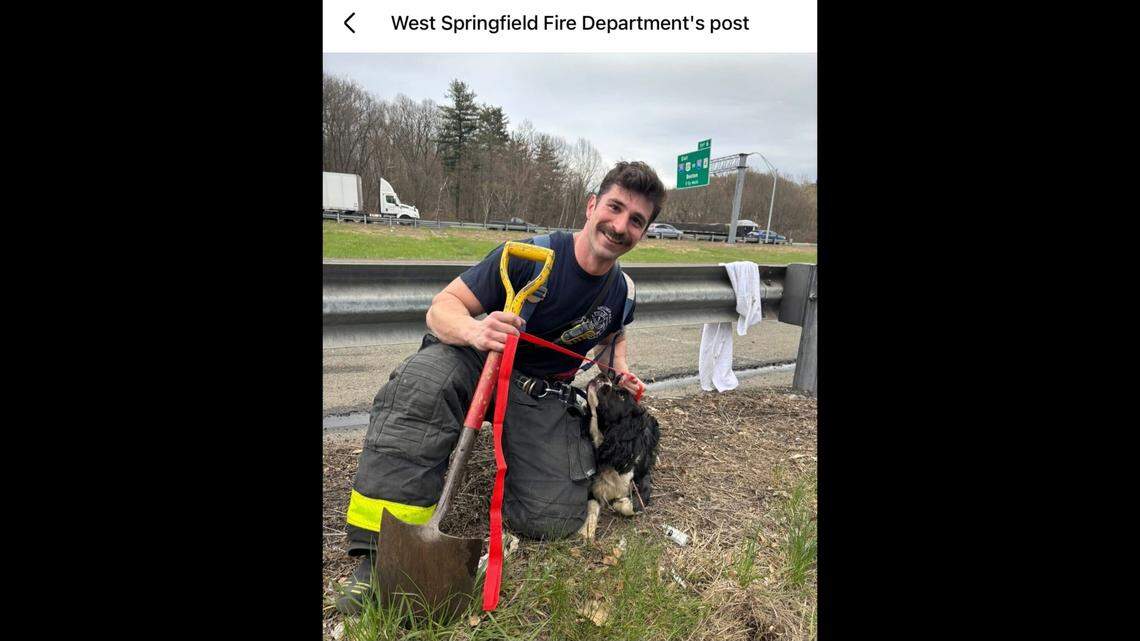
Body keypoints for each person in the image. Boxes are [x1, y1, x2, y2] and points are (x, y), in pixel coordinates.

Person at [336, 161, 667, 615]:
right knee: (421, 388)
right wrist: (475, 331)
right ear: (592, 206)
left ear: (644, 232)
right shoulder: (527, 256)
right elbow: (442, 308)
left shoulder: (622, 291)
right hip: (477, 361)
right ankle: (376, 561)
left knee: (551, 518)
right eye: (615, 207)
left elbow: (611, 335)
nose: (620, 225)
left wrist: (620, 367)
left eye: (636, 220)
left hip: (538, 390)